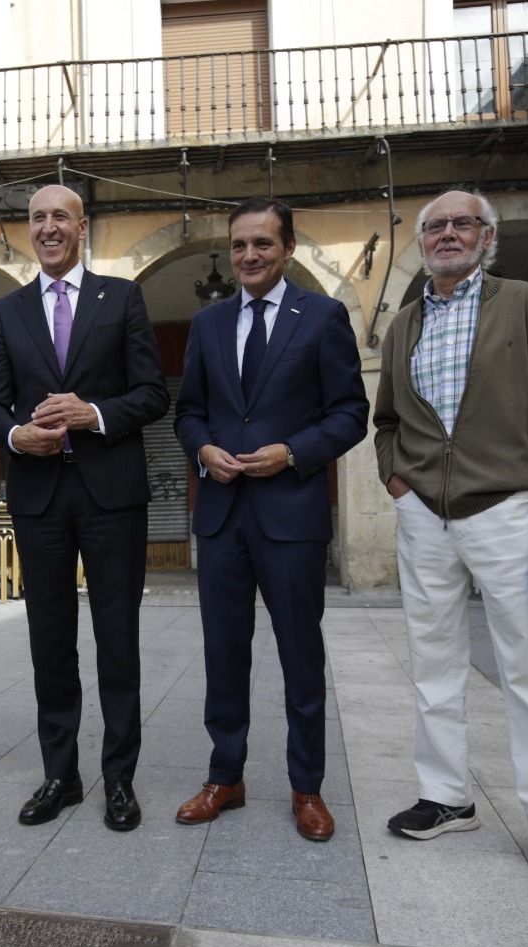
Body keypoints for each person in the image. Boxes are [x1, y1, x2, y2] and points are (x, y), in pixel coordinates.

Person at [374, 188, 528, 885]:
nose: (446, 235)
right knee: (433, 662)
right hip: (425, 518)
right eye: (434, 227)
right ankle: (445, 796)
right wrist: (396, 481)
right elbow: (386, 423)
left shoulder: (521, 302)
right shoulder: (405, 322)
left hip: (508, 512)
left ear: (487, 236)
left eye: (461, 224)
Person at [172, 197, 368, 843]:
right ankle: (225, 777)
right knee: (224, 656)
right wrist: (201, 448)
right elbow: (189, 411)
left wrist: (295, 452)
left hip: (292, 516)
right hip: (223, 516)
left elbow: (348, 413)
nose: (249, 256)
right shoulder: (207, 324)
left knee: (300, 658)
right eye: (239, 246)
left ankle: (306, 787)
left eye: (262, 244)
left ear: (287, 249)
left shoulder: (322, 317)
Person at [0, 183, 169, 832]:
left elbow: (151, 394)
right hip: (39, 498)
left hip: (112, 496)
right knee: (49, 643)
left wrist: (96, 414)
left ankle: (120, 780)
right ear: (26, 230)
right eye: (37, 218)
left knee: (118, 643)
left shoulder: (125, 298)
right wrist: (13, 436)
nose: (49, 227)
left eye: (61, 215)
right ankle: (60, 775)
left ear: (84, 226)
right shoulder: (9, 310)